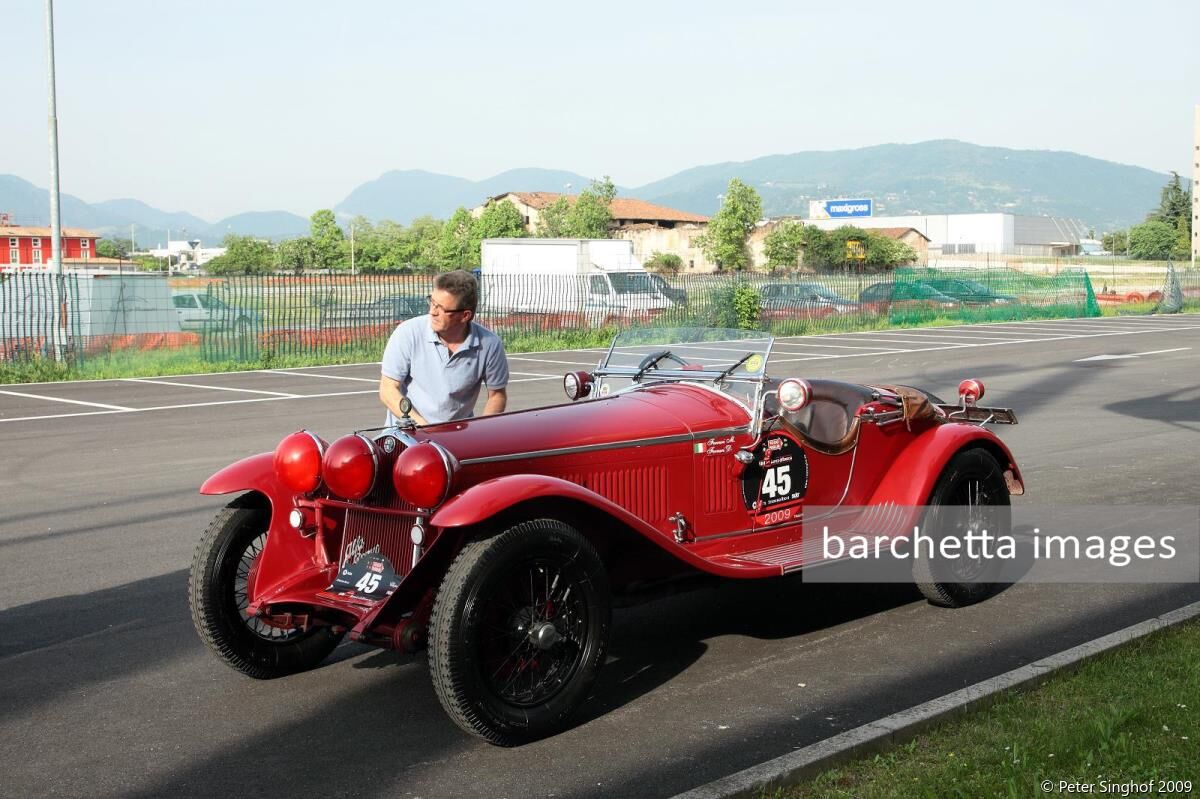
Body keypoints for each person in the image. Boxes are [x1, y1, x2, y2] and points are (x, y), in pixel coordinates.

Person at [378, 270, 509, 427]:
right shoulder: (408, 333)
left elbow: (497, 395)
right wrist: (423, 428)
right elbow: (388, 389)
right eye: (432, 302)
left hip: (456, 438)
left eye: (441, 308)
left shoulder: (490, 344)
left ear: (465, 315)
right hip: (407, 435)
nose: (432, 312)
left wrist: (481, 431)